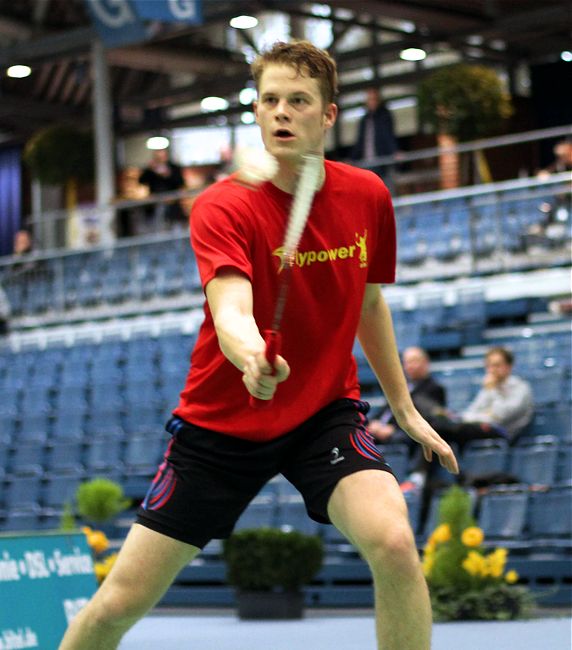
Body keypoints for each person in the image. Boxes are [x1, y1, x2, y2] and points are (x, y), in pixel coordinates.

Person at [59, 40, 457, 650]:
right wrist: (250, 357)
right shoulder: (226, 204)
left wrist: (402, 407)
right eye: (269, 100)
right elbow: (230, 306)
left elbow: (369, 303)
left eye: (298, 101)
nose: (281, 113)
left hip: (322, 414)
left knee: (396, 542)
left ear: (327, 115)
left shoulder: (367, 195)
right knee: (118, 603)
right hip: (221, 427)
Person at [428, 347, 534, 446]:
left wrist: (492, 391)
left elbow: (500, 415)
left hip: (503, 433)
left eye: (497, 365)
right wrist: (459, 417)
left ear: (509, 367)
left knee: (444, 430)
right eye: (489, 366)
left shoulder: (521, 388)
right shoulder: (488, 387)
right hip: (480, 427)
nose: (492, 370)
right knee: (435, 429)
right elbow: (473, 410)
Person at [369, 346, 446, 444]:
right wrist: (373, 423)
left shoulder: (434, 388)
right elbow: (385, 410)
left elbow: (426, 420)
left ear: (426, 362)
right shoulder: (401, 387)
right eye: (407, 362)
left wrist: (392, 429)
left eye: (414, 361)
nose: (410, 366)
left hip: (404, 434)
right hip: (381, 430)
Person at [351, 86, 398, 190]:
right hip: (367, 163)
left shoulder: (385, 116)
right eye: (370, 100)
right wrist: (352, 159)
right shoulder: (364, 120)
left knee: (385, 189)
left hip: (382, 161)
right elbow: (360, 142)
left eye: (374, 99)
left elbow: (388, 136)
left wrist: (394, 151)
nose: (372, 102)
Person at [138, 148, 186, 230]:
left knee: (174, 228)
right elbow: (141, 181)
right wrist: (149, 169)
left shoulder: (174, 168)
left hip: (172, 205)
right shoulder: (151, 169)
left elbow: (180, 182)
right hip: (155, 204)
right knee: (156, 228)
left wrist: (167, 174)